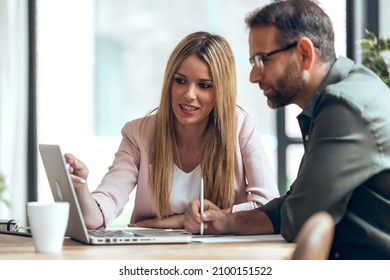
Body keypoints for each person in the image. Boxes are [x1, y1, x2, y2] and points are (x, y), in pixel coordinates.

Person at [184, 1, 390, 260]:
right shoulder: (343, 93)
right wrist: (228, 221)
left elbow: (300, 218)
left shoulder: (344, 107)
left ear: (304, 53)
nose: (253, 76)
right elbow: (298, 201)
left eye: (263, 59)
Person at [65, 31, 279, 231]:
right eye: (180, 81)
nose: (189, 94)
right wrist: (81, 188)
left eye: (204, 85)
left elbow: (269, 208)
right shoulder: (138, 133)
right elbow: (97, 216)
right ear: (169, 82)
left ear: (220, 91)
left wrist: (171, 221)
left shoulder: (240, 124)